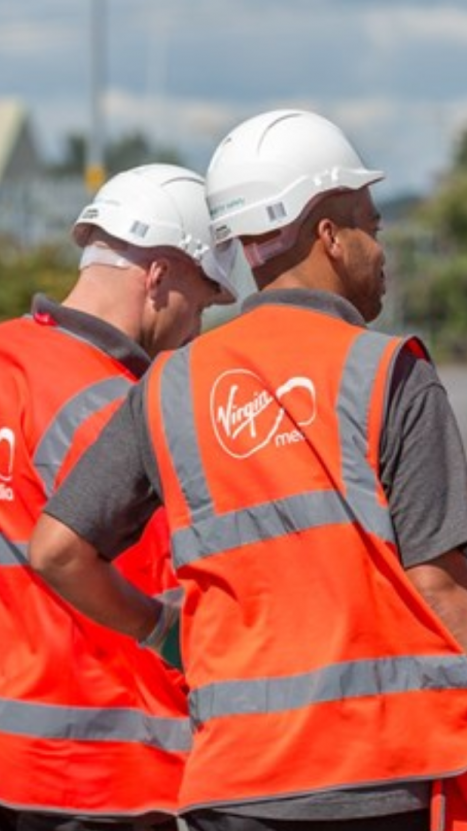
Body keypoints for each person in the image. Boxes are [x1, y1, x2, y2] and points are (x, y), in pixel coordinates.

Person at [30, 109, 467, 831]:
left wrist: (159, 630)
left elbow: (56, 550)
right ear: (330, 236)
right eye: (372, 228)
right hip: (381, 779)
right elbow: (441, 587)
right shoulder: (390, 372)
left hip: (231, 783)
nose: (381, 250)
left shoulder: (169, 385)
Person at [0, 164, 237, 831]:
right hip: (95, 769)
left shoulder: (7, 355)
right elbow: (170, 600)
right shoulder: (116, 409)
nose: (197, 328)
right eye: (201, 302)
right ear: (157, 276)